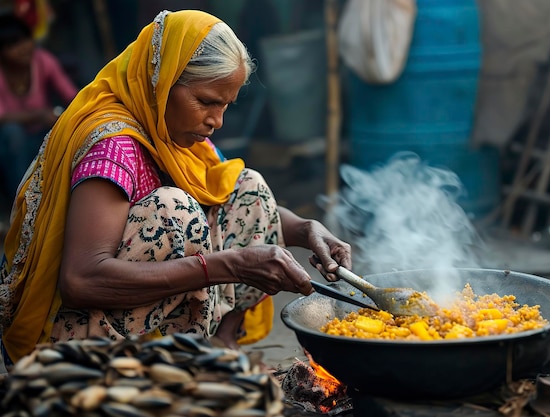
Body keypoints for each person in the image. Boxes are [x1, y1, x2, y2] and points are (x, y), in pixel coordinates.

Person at [0, 9, 351, 367]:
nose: (217, 121)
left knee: (249, 187)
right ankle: (155, 363)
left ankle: (219, 343)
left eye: (226, 105)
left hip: (136, 313)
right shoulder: (113, 144)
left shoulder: (174, 134)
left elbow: (230, 203)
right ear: (162, 82)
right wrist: (227, 265)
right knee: (173, 210)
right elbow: (81, 281)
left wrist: (307, 230)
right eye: (207, 102)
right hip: (69, 342)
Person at [0, 12, 79, 197]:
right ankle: (21, 202)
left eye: (26, 40)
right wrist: (40, 115)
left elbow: (71, 95)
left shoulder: (42, 60)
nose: (23, 48)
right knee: (13, 133)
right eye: (13, 44)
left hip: (41, 135)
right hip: (9, 146)